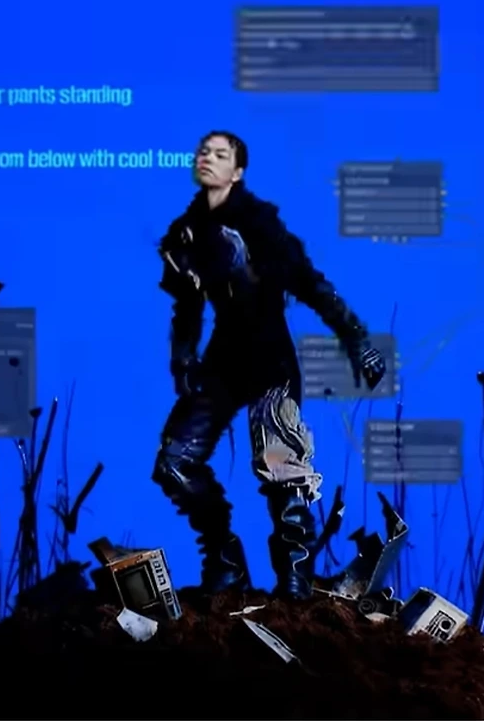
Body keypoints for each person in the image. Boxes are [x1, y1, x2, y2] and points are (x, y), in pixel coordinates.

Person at [151, 130, 387, 600]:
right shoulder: (186, 232)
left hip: (269, 357)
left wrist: (357, 340)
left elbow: (310, 283)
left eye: (220, 154)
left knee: (282, 466)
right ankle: (225, 562)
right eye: (204, 151)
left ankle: (295, 575)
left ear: (237, 170)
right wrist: (183, 359)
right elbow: (186, 307)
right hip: (223, 359)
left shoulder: (259, 224)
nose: (207, 158)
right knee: (175, 462)